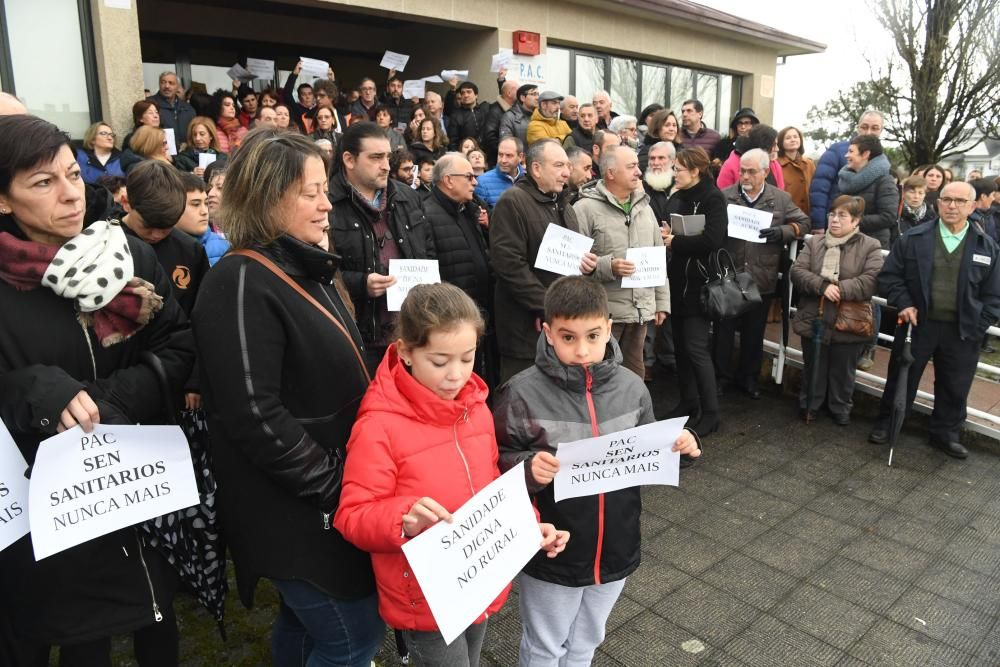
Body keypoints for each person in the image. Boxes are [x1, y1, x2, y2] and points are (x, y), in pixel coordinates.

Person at [0, 113, 193, 667]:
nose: (70, 195)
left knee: (152, 618)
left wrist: (115, 401)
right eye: (43, 183)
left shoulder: (128, 253)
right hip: (45, 513)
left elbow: (179, 344)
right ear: (4, 201)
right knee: (69, 635)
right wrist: (32, 389)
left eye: (70, 174)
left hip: (132, 487)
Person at [191, 128, 382, 665]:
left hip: (329, 489)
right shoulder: (241, 279)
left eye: (326, 189)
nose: (327, 204)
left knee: (305, 625)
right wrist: (331, 484)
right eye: (311, 192)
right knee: (353, 636)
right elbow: (253, 411)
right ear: (267, 196)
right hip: (296, 507)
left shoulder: (304, 265)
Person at [336, 283, 567, 665]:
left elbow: (493, 485)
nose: (456, 375)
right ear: (405, 352)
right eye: (440, 362)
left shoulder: (475, 408)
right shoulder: (378, 426)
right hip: (424, 597)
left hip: (478, 577)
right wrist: (403, 520)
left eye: (468, 358)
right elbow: (352, 515)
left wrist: (530, 527)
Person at [495, 275, 701, 667]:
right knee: (544, 644)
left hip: (616, 544)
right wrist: (525, 469)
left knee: (588, 637)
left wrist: (683, 447)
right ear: (547, 331)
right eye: (568, 337)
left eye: (592, 335)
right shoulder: (520, 392)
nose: (582, 349)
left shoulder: (632, 387)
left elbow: (651, 450)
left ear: (609, 327)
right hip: (554, 548)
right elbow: (493, 459)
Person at [869, 181, 1000, 458]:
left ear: (973, 206)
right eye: (946, 199)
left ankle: (945, 434)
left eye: (960, 201)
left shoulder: (986, 247)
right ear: (937, 202)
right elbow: (890, 277)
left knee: (956, 384)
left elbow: (994, 294)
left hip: (963, 330)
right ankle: (887, 424)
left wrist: (979, 325)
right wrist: (904, 304)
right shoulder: (914, 238)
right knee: (901, 377)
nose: (952, 205)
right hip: (919, 324)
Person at [489, 139, 598, 383]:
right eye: (559, 165)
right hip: (524, 331)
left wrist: (586, 266)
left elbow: (571, 261)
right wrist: (548, 305)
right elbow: (509, 266)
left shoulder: (564, 206)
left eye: (568, 166)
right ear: (536, 169)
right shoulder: (513, 202)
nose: (566, 172)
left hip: (560, 326)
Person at [329, 122, 435, 369]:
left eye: (387, 157)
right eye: (376, 157)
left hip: (410, 333)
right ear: (349, 159)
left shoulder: (408, 197)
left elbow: (428, 251)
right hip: (359, 338)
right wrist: (360, 283)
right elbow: (318, 272)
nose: (386, 165)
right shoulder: (328, 204)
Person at [715, 149, 810, 398]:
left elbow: (804, 223)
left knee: (753, 333)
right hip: (730, 274)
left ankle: (748, 379)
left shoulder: (780, 198)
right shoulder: (725, 196)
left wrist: (784, 232)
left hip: (761, 276)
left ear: (765, 172)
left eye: (751, 171)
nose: (744, 176)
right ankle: (720, 378)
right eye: (742, 171)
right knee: (724, 332)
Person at [573, 145, 669, 377]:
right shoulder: (583, 209)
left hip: (641, 313)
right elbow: (572, 265)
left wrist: (661, 302)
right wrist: (609, 266)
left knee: (634, 379)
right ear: (611, 173)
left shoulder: (645, 208)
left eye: (638, 165)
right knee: (599, 379)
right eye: (631, 166)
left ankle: (635, 415)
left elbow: (658, 256)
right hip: (603, 315)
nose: (639, 171)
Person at [791, 195, 883, 424]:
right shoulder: (815, 242)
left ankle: (840, 407)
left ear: (855, 221)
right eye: (832, 214)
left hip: (849, 319)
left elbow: (871, 279)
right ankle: (810, 404)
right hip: (816, 313)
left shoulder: (870, 246)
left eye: (842, 215)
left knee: (844, 369)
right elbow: (798, 271)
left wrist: (840, 289)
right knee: (814, 365)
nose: (835, 220)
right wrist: (822, 286)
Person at [662, 147, 728, 437]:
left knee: (696, 349)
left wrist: (674, 241)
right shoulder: (678, 197)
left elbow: (713, 240)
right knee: (681, 348)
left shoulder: (713, 198)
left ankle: (712, 412)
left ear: (695, 170)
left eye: (678, 168)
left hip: (700, 287)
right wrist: (670, 235)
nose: (674, 172)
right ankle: (688, 403)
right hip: (676, 283)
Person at [836, 134, 899, 370]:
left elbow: (889, 216)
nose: (847, 155)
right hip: (846, 243)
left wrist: (853, 222)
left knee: (870, 298)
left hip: (872, 247)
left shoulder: (885, 181)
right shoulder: (846, 178)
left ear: (866, 154)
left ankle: (868, 347)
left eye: (851, 151)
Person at [120, 161, 209, 318]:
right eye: (147, 225)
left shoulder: (190, 250)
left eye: (166, 227)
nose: (156, 235)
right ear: (126, 203)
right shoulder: (103, 243)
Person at [809, 109, 885, 233]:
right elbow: (819, 189)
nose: (869, 132)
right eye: (864, 127)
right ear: (857, 127)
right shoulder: (838, 151)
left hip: (867, 229)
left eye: (875, 128)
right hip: (835, 224)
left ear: (881, 130)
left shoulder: (882, 160)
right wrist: (818, 224)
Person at [174, 171, 228, 266]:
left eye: (206, 203)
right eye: (196, 204)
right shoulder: (157, 243)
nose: (204, 211)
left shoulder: (224, 247)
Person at [716, 124, 785, 190]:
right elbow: (723, 195)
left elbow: (780, 193)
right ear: (763, 146)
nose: (777, 149)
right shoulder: (731, 165)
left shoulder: (774, 164)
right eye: (774, 145)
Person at [147, 71, 196, 146]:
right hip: (159, 153)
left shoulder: (188, 109)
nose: (167, 86)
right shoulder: (149, 104)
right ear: (159, 84)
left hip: (185, 154)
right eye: (163, 82)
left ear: (177, 87)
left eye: (171, 83)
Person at [474, 136, 524, 208]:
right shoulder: (482, 182)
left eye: (509, 155)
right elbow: (479, 215)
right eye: (500, 155)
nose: (503, 160)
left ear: (520, 157)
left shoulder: (530, 179)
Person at [777, 126, 815, 214]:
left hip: (807, 215)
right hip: (786, 215)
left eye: (795, 137)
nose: (793, 140)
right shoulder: (776, 165)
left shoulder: (809, 164)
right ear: (780, 142)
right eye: (788, 138)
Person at [447, 80, 490, 150]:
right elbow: (452, 142)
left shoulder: (485, 108)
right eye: (463, 93)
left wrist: (501, 80)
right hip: (465, 155)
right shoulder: (456, 115)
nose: (466, 95)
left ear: (476, 95)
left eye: (469, 92)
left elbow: (502, 104)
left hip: (487, 154)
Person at [643, 141, 675, 221]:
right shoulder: (641, 188)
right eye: (652, 158)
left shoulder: (680, 187)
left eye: (661, 158)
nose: (656, 163)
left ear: (672, 162)